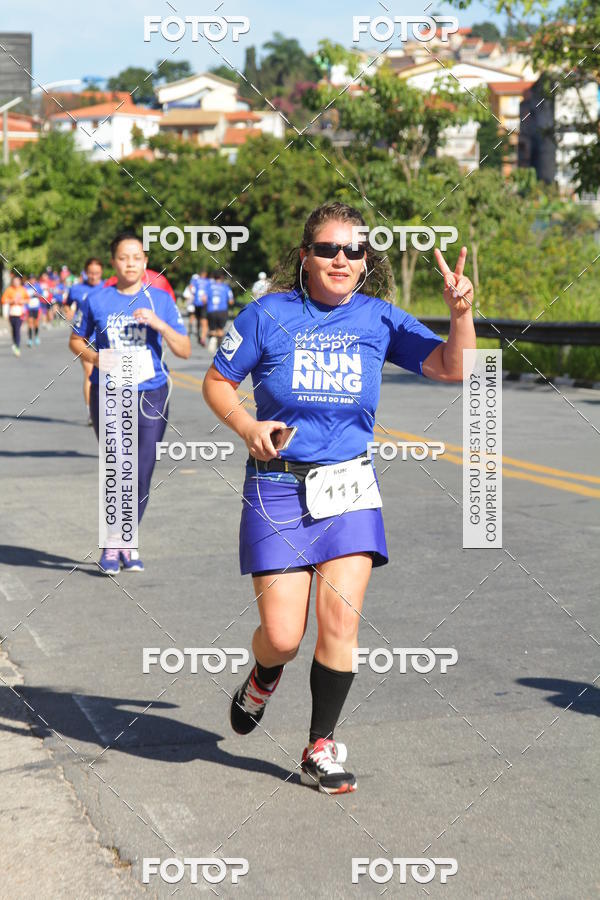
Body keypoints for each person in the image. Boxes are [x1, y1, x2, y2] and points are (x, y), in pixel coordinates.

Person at [202, 201, 476, 794]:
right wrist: (248, 427)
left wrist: (461, 315)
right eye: (328, 249)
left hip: (348, 487)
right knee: (282, 636)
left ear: (364, 261)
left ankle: (320, 745)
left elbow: (454, 368)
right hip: (277, 485)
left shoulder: (379, 319)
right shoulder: (267, 315)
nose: (341, 259)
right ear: (305, 257)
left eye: (354, 250)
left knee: (339, 624)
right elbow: (217, 382)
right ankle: (263, 675)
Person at [69, 232, 191, 574]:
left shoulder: (161, 301)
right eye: (124, 258)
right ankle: (113, 545)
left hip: (152, 392)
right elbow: (76, 342)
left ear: (145, 262)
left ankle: (127, 537)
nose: (131, 263)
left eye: (137, 257)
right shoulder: (96, 300)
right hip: (110, 390)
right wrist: (97, 357)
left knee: (142, 470)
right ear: (114, 262)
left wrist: (158, 324)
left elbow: (184, 350)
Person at [66, 258, 104, 423]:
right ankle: (91, 412)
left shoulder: (108, 287)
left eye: (96, 273)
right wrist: (68, 311)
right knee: (90, 373)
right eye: (90, 273)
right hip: (86, 337)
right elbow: (67, 304)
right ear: (85, 273)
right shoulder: (76, 289)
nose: (93, 276)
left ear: (101, 272)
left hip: (105, 336)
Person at [205, 272, 233, 353]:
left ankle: (212, 339)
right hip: (222, 311)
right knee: (220, 329)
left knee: (212, 329)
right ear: (222, 278)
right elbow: (231, 301)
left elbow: (204, 299)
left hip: (211, 310)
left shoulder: (209, 287)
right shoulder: (226, 287)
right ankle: (218, 349)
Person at [2, 274, 29, 357]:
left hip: (20, 313)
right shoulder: (9, 290)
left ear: (19, 282)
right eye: (14, 281)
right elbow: (3, 300)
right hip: (12, 313)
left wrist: (21, 302)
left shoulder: (22, 290)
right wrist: (11, 301)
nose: (16, 283)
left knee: (17, 329)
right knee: (13, 329)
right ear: (12, 282)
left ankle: (17, 346)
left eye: (17, 281)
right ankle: (14, 342)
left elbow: (27, 300)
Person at [188, 269, 211, 345]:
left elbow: (190, 287)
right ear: (205, 274)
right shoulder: (208, 282)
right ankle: (203, 338)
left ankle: (198, 334)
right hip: (204, 303)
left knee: (198, 319)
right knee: (204, 321)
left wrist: (194, 294)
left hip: (196, 302)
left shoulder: (196, 280)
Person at [25, 275, 43, 346]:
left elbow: (42, 295)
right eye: (31, 279)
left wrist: (37, 294)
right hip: (29, 308)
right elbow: (23, 295)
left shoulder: (38, 286)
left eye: (33, 279)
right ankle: (29, 339)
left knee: (36, 323)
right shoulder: (26, 287)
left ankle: (36, 337)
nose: (32, 281)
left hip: (36, 308)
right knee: (29, 323)